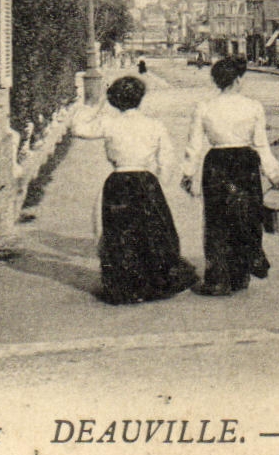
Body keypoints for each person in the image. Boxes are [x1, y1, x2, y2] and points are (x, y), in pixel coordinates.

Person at [71, 77, 196, 305]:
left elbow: (77, 128)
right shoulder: (154, 125)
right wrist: (160, 180)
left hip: (118, 181)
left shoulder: (109, 123)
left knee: (119, 233)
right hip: (145, 181)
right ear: (140, 99)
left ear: (115, 101)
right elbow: (166, 161)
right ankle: (152, 281)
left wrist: (97, 104)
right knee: (151, 231)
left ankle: (126, 284)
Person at [183, 56, 279, 296]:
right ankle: (241, 275)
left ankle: (218, 279)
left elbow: (194, 145)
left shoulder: (204, 106)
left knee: (217, 220)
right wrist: (274, 174)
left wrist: (188, 174)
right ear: (239, 80)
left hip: (217, 164)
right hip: (245, 163)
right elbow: (261, 145)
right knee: (246, 217)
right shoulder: (253, 107)